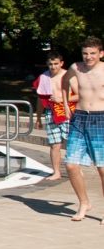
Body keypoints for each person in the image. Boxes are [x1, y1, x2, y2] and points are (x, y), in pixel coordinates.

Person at [62, 36, 104, 221]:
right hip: (79, 118)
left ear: (101, 53)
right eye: (85, 53)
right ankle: (84, 202)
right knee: (71, 165)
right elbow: (64, 82)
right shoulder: (75, 68)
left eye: (93, 53)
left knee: (102, 168)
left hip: (101, 118)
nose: (88, 57)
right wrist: (65, 104)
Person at [35, 51, 70, 181]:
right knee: (54, 144)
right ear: (47, 64)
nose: (53, 67)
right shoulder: (44, 77)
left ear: (61, 63)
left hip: (67, 112)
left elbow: (80, 95)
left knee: (71, 143)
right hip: (51, 112)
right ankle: (56, 172)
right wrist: (38, 117)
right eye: (50, 64)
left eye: (56, 64)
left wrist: (61, 98)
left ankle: (75, 170)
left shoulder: (68, 75)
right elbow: (40, 99)